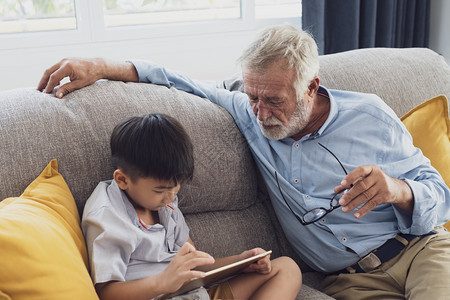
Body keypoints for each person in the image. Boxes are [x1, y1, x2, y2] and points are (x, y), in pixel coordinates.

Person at [39, 24, 450, 299]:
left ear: (311, 88)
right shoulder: (248, 112)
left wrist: (398, 190)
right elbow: (175, 79)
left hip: (419, 250)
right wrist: (100, 66)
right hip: (350, 282)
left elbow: (439, 195)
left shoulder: (371, 116)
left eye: (274, 100)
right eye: (253, 97)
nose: (260, 112)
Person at [81, 113, 302, 300]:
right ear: (122, 180)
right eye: (160, 190)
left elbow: (196, 264)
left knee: (286, 268)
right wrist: (162, 282)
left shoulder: (165, 203)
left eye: (176, 186)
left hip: (194, 293)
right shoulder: (108, 217)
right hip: (157, 294)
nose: (170, 197)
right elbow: (105, 292)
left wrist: (242, 261)